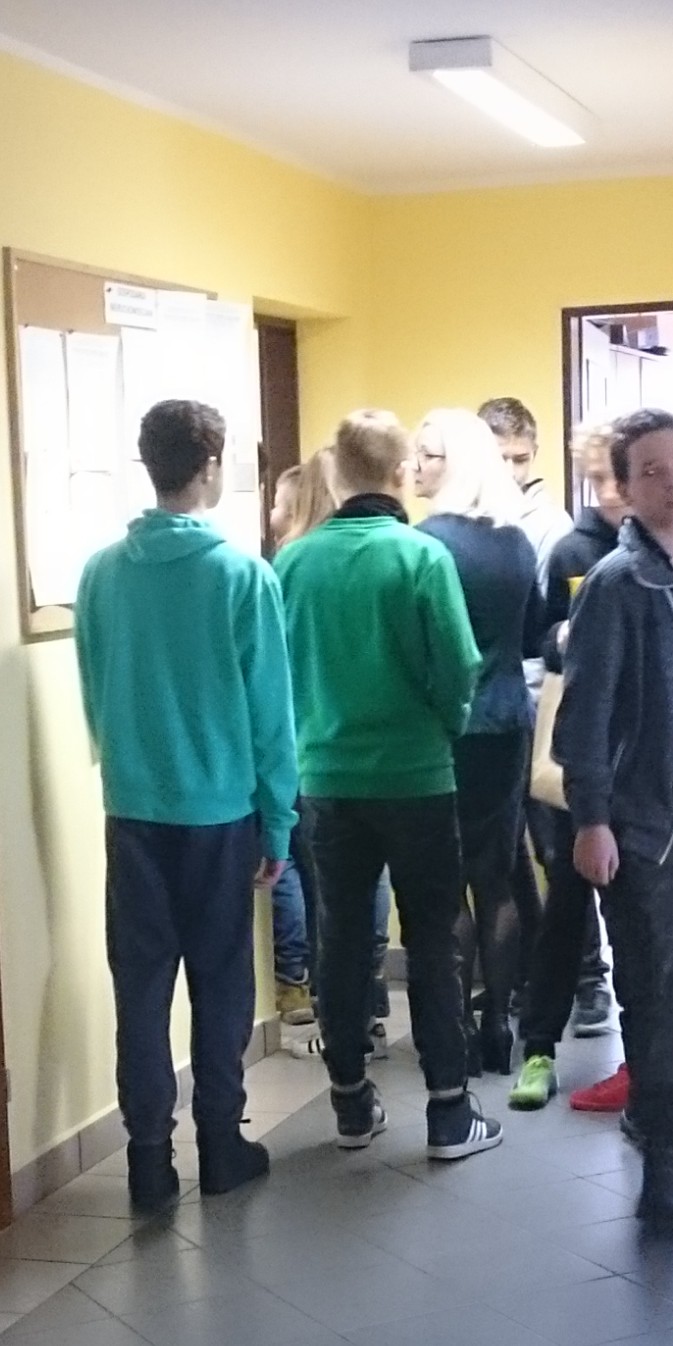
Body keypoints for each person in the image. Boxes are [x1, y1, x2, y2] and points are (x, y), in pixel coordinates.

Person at [72, 400, 296, 1212]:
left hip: (132, 810)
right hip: (219, 813)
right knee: (221, 983)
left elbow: (94, 686)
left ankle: (147, 1160)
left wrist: (130, 762)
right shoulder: (241, 576)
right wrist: (279, 818)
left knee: (139, 989)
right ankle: (221, 1143)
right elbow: (270, 711)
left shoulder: (101, 573)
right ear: (209, 467)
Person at [276, 410, 505, 1161]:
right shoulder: (420, 556)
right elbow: (458, 664)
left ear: (336, 473)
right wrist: (446, 721)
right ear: (403, 472)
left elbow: (280, 670)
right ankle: (448, 1113)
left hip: (326, 779)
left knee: (340, 939)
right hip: (416, 777)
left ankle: (350, 1104)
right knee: (433, 941)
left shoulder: (293, 564)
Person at [553, 410, 673, 1226]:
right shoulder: (616, 585)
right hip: (642, 819)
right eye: (652, 470)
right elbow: (585, 714)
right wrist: (591, 818)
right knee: (653, 987)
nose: (672, 481)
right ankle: (669, 1147)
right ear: (625, 489)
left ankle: (651, 1105)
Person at [413, 409, 547, 1076]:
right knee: (496, 880)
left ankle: (459, 1028)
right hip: (509, 721)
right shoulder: (516, 542)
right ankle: (499, 1022)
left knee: (446, 886)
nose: (414, 465)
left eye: (428, 454)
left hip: (449, 728)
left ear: (456, 462)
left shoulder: (425, 544)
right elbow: (534, 633)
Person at [511, 429, 627, 1107]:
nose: (609, 492)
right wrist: (567, 637)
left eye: (618, 475)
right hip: (577, 760)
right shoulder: (571, 552)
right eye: (597, 477)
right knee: (564, 900)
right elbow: (541, 639)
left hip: (644, 770)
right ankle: (540, 1047)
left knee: (649, 918)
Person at [260, 457, 341, 1030]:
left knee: (286, 862)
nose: (270, 515)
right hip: (347, 747)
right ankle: (360, 992)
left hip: (296, 741)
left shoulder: (284, 569)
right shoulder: (351, 561)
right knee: (347, 879)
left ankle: (294, 984)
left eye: (277, 505)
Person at [478, 394, 567, 551]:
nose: (510, 472)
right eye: (499, 459)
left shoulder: (553, 525)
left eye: (520, 460)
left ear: (534, 454)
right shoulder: (456, 515)